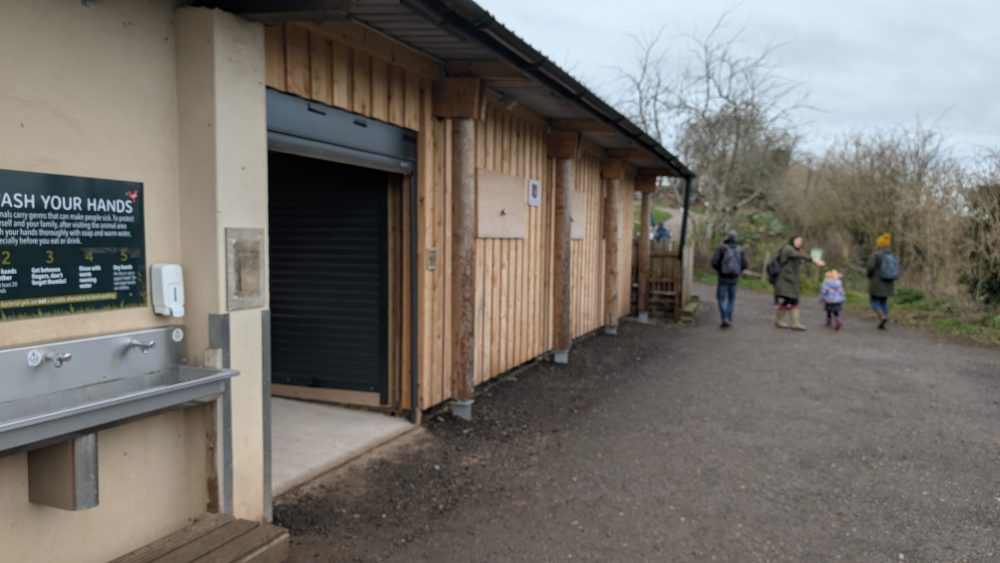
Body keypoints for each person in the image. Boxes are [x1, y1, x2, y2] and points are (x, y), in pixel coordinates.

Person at [774, 234, 825, 330]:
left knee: (789, 301)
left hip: (791, 280)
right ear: (792, 240)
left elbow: (798, 258)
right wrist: (813, 259)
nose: (799, 243)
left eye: (800, 241)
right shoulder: (788, 249)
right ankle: (793, 323)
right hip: (786, 280)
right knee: (792, 300)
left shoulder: (794, 250)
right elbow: (798, 255)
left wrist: (805, 261)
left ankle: (782, 321)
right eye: (797, 240)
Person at [710, 230, 749, 328]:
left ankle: (725, 318)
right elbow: (745, 264)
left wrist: (720, 270)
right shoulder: (740, 249)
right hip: (734, 279)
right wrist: (738, 271)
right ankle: (729, 318)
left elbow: (714, 262)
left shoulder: (722, 248)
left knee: (720, 298)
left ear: (727, 237)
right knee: (731, 300)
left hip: (723, 278)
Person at [866, 232, 897, 330]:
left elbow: (870, 267)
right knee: (884, 302)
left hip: (876, 282)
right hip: (888, 283)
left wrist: (869, 275)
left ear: (879, 244)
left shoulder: (876, 255)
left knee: (874, 300)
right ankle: (884, 317)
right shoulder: (891, 255)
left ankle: (881, 315)